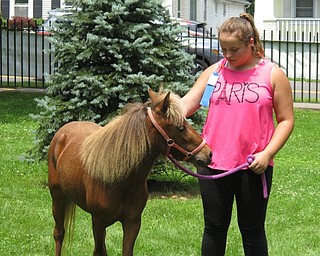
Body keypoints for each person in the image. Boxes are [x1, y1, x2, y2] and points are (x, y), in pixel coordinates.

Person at [181, 13, 294, 256]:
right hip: (212, 164)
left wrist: (267, 154)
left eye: (234, 49)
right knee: (214, 228)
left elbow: (286, 121)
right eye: (223, 49)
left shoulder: (272, 74)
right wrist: (161, 109)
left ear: (250, 43)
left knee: (252, 230)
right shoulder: (215, 71)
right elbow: (187, 104)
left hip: (253, 167)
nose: (227, 55)